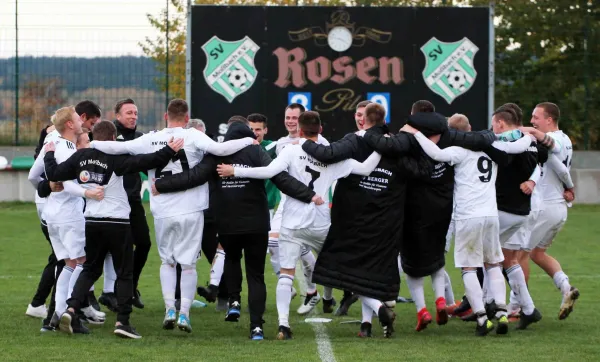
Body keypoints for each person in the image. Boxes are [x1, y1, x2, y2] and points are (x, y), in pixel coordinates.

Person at [90, 99, 255, 334]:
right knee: (188, 264)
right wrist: (248, 139)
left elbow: (119, 148)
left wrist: (90, 144)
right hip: (191, 208)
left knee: (167, 261)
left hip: (162, 210)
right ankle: (184, 314)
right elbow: (220, 150)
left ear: (166, 117)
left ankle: (169, 308)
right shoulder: (193, 136)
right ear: (187, 119)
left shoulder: (151, 138)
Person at [216, 110, 382, 340]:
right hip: (321, 221)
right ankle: (378, 307)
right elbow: (365, 169)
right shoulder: (332, 154)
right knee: (346, 268)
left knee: (286, 273)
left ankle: (283, 325)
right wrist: (380, 148)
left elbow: (268, 172)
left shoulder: (292, 150)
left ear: (300, 130)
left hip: (293, 222)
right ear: (320, 130)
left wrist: (235, 170)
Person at [153, 119, 320, 340]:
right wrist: (309, 195)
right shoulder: (256, 151)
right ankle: (257, 327)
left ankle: (233, 301)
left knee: (231, 260)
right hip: (256, 223)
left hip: (227, 223)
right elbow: (281, 178)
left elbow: (194, 177)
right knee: (256, 275)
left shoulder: (217, 155)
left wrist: (160, 185)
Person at [43, 120, 184, 339]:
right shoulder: (116, 158)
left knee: (90, 268)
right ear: (113, 139)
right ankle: (123, 322)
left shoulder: (80, 156)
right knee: (124, 273)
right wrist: (169, 149)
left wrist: (49, 154)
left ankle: (71, 309)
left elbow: (55, 173)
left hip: (91, 221)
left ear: (93, 137)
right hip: (117, 222)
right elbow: (147, 160)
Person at [403, 121, 535, 336]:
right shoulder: (494, 149)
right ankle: (501, 312)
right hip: (491, 214)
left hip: (468, 216)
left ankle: (482, 318)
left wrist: (417, 134)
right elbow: (516, 147)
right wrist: (529, 137)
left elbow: (435, 154)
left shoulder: (459, 151)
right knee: (493, 263)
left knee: (469, 268)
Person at [27, 106, 106, 331]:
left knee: (68, 264)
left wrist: (49, 188)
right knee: (82, 262)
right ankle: (71, 312)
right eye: (76, 119)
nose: (81, 122)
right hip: (69, 216)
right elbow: (71, 183)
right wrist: (87, 193)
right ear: (70, 125)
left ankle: (57, 314)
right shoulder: (71, 150)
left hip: (50, 214)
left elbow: (34, 176)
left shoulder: (51, 144)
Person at [520, 102, 579, 320]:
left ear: (550, 120)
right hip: (557, 209)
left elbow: (552, 148)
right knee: (537, 254)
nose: (533, 120)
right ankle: (566, 288)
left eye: (536, 117)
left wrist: (528, 131)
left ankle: (518, 307)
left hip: (546, 207)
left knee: (518, 256)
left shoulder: (559, 140)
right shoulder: (564, 140)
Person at [270, 103, 330, 315]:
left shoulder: (321, 143)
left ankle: (326, 294)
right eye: (287, 117)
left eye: (294, 117)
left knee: (329, 256)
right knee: (274, 241)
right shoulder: (281, 144)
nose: (290, 121)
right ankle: (309, 290)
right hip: (289, 203)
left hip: (315, 206)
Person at [100, 98, 151, 311]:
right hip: (112, 202)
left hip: (134, 201)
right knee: (111, 250)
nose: (133, 116)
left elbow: (149, 165)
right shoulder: (111, 138)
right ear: (118, 116)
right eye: (129, 113)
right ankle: (105, 293)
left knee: (144, 243)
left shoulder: (140, 139)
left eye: (136, 113)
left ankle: (131, 287)